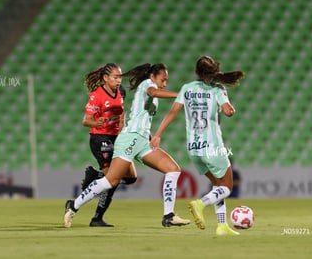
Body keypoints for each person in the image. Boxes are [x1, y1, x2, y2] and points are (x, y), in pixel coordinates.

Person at [64, 63, 190, 228]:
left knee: (173, 169)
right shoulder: (148, 85)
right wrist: (180, 94)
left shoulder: (144, 90)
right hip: (130, 138)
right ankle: (74, 206)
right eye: (163, 80)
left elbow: (140, 115)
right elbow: (153, 92)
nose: (165, 83)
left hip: (142, 140)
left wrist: (150, 135)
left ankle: (169, 215)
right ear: (152, 77)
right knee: (111, 181)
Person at [150, 55, 245, 236]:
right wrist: (230, 107)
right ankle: (200, 203)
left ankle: (222, 226)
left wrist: (158, 135)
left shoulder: (187, 88)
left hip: (194, 148)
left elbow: (172, 112)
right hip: (213, 146)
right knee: (227, 187)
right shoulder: (218, 89)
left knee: (217, 185)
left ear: (196, 72)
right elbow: (228, 112)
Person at [79, 63, 136, 227]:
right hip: (100, 138)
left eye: (120, 77)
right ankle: (97, 218)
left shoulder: (121, 92)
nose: (119, 80)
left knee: (131, 177)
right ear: (105, 78)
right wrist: (97, 122)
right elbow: (85, 121)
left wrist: (122, 131)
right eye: (115, 77)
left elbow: (121, 113)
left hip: (116, 138)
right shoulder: (96, 96)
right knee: (112, 180)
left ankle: (94, 176)